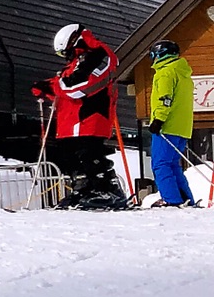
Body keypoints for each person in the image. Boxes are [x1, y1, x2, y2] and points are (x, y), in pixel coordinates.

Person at [32, 23, 128, 210]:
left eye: (65, 53)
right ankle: (84, 189)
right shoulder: (79, 61)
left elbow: (77, 87)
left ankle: (106, 190)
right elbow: (67, 86)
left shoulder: (97, 54)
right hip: (72, 120)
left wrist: (55, 85)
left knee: (89, 153)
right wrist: (48, 87)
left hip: (90, 116)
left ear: (73, 42)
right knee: (71, 155)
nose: (65, 58)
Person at [147, 39, 199, 207]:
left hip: (167, 126)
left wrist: (158, 119)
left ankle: (171, 199)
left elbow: (165, 98)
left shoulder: (165, 72)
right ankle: (184, 198)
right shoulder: (183, 72)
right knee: (172, 164)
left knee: (160, 164)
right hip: (182, 127)